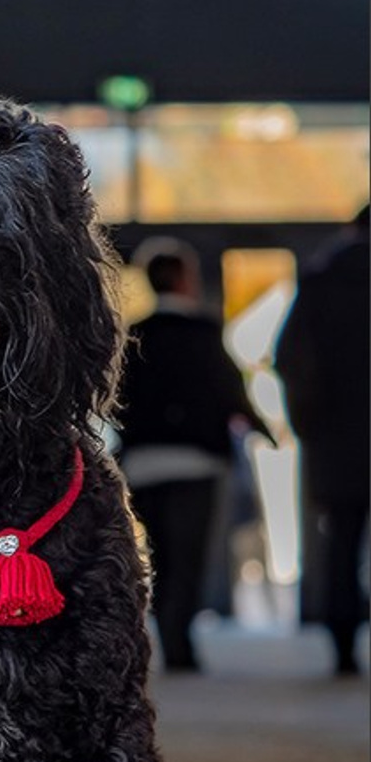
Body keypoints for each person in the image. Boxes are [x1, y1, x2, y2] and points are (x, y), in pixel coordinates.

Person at [116, 236, 272, 672]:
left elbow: (115, 400)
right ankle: (179, 643)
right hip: (197, 462)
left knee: (160, 555)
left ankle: (168, 636)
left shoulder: (133, 336)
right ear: (185, 279)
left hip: (144, 464)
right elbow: (230, 392)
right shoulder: (204, 334)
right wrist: (264, 431)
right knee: (187, 558)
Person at [275, 204, 369, 676]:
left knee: (342, 546)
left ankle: (343, 644)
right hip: (339, 435)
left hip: (338, 442)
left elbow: (290, 357)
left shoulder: (319, 283)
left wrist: (309, 424)